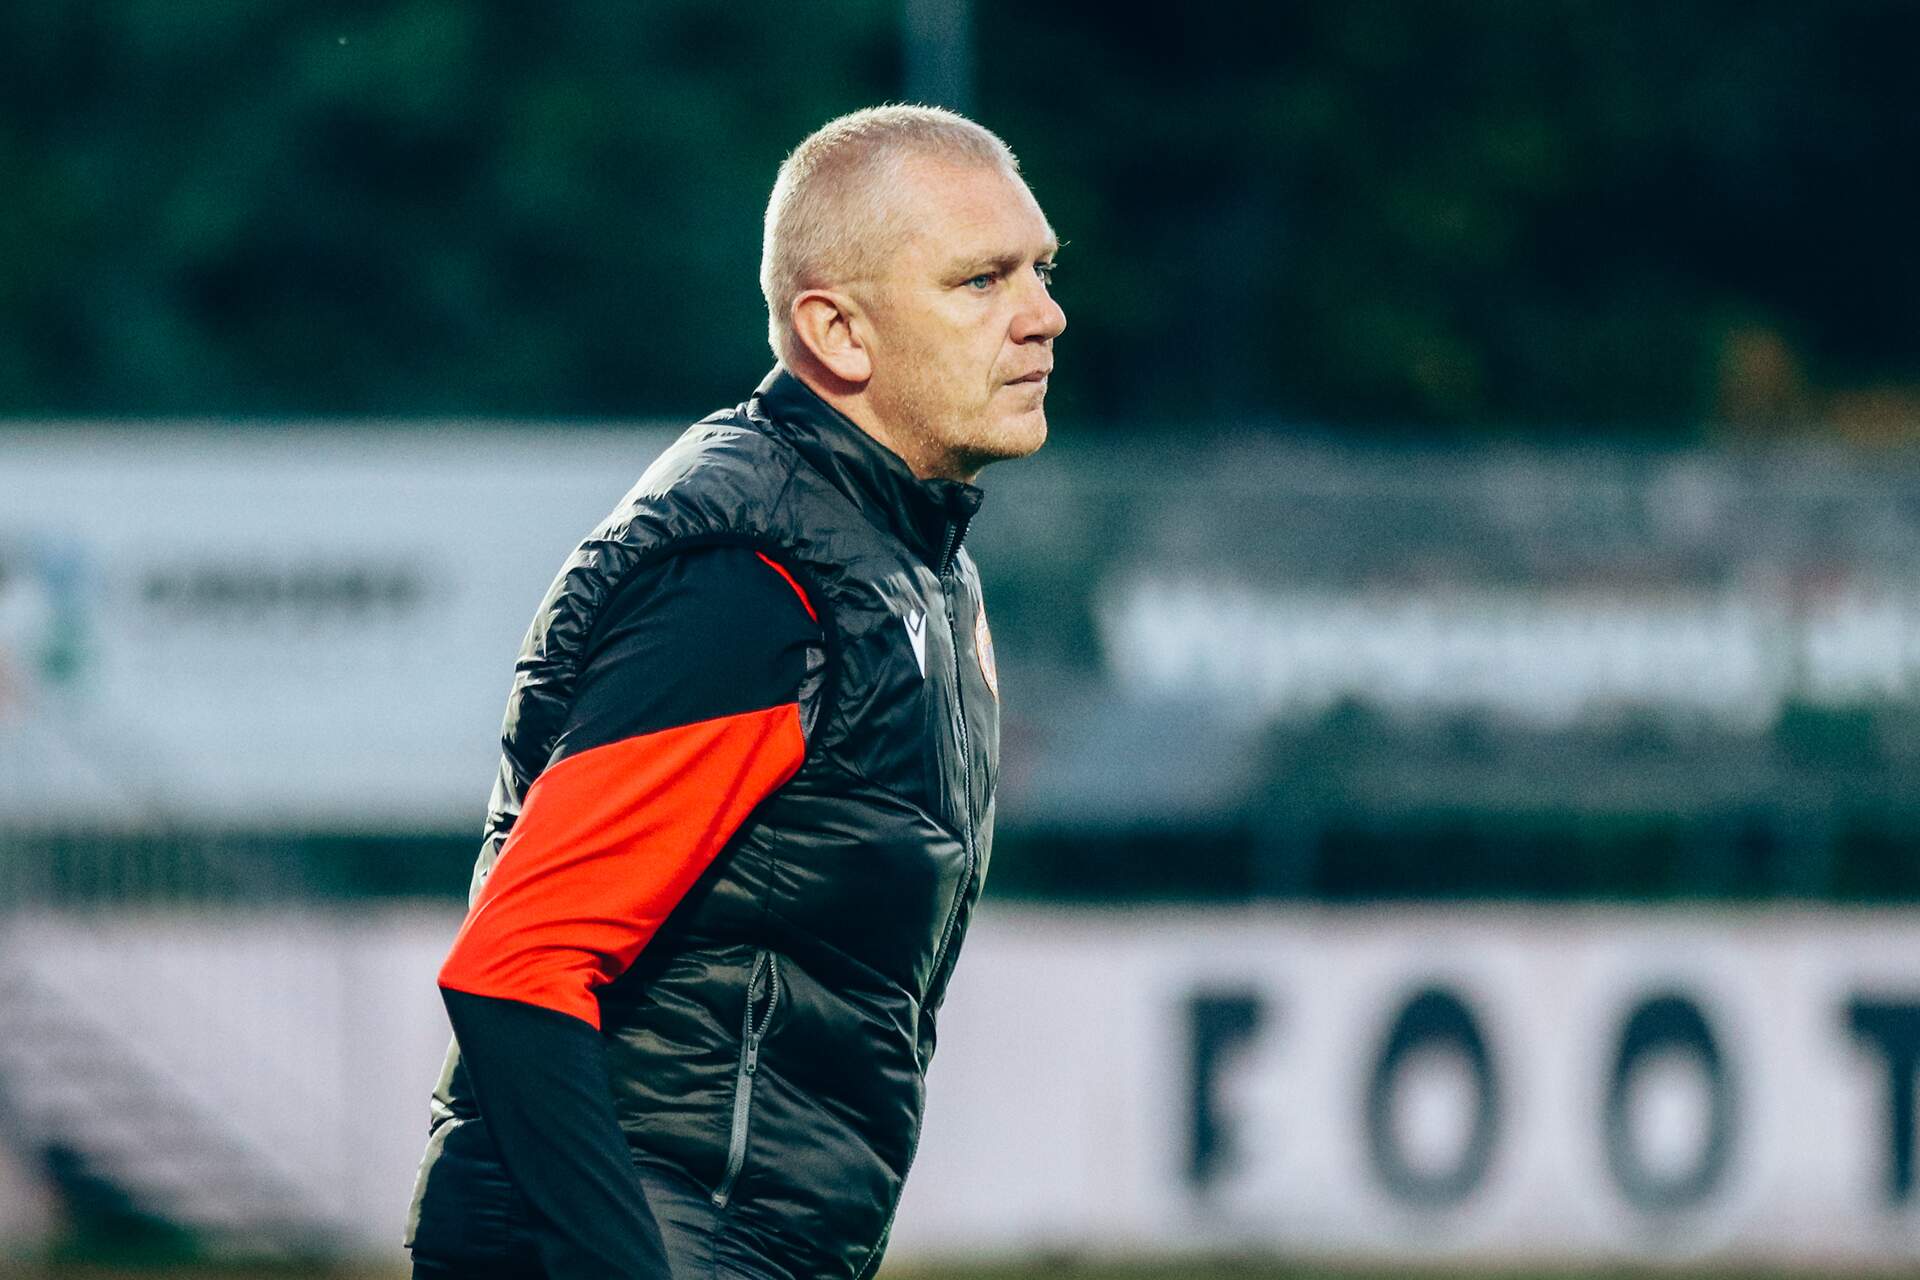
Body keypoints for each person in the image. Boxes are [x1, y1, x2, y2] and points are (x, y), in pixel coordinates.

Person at [404, 104, 1065, 1280]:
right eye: (981, 280)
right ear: (837, 330)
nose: (1042, 315)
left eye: (1041, 270)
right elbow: (516, 966)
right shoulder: (755, 580)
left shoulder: (908, 561)